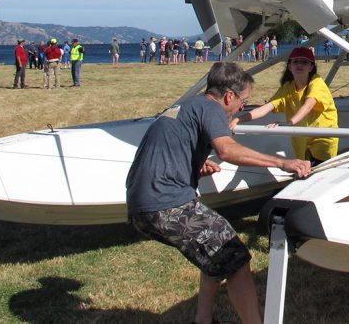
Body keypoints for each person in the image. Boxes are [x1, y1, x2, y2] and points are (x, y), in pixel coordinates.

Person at [126, 63, 310, 324]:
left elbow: (168, 145)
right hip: (167, 205)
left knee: (216, 252)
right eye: (243, 102)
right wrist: (282, 162)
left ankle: (203, 320)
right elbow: (228, 150)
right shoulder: (212, 109)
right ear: (228, 97)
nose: (241, 109)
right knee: (234, 254)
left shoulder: (188, 106)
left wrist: (192, 165)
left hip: (140, 205)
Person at [235, 47, 339, 164]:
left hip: (322, 139)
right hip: (301, 140)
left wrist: (290, 122)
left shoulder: (317, 82)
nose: (299, 65)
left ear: (311, 67)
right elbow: (266, 108)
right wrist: (238, 119)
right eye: (295, 61)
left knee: (317, 175)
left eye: (304, 62)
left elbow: (308, 105)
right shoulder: (287, 87)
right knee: (304, 172)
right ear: (290, 66)